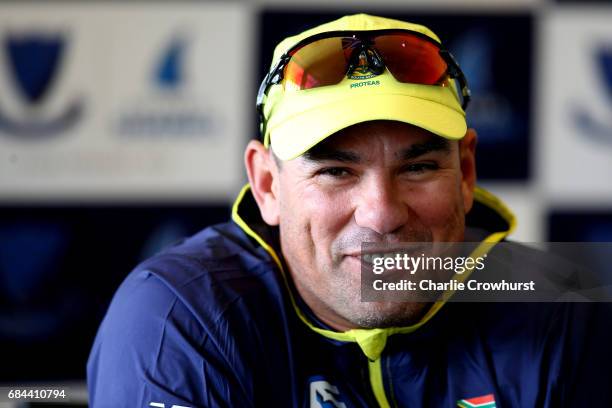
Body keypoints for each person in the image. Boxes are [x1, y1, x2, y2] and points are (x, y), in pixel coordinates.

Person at [87, 14, 611, 407]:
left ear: (466, 173)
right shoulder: (179, 316)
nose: (381, 214)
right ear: (267, 185)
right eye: (336, 171)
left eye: (419, 168)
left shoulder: (561, 306)